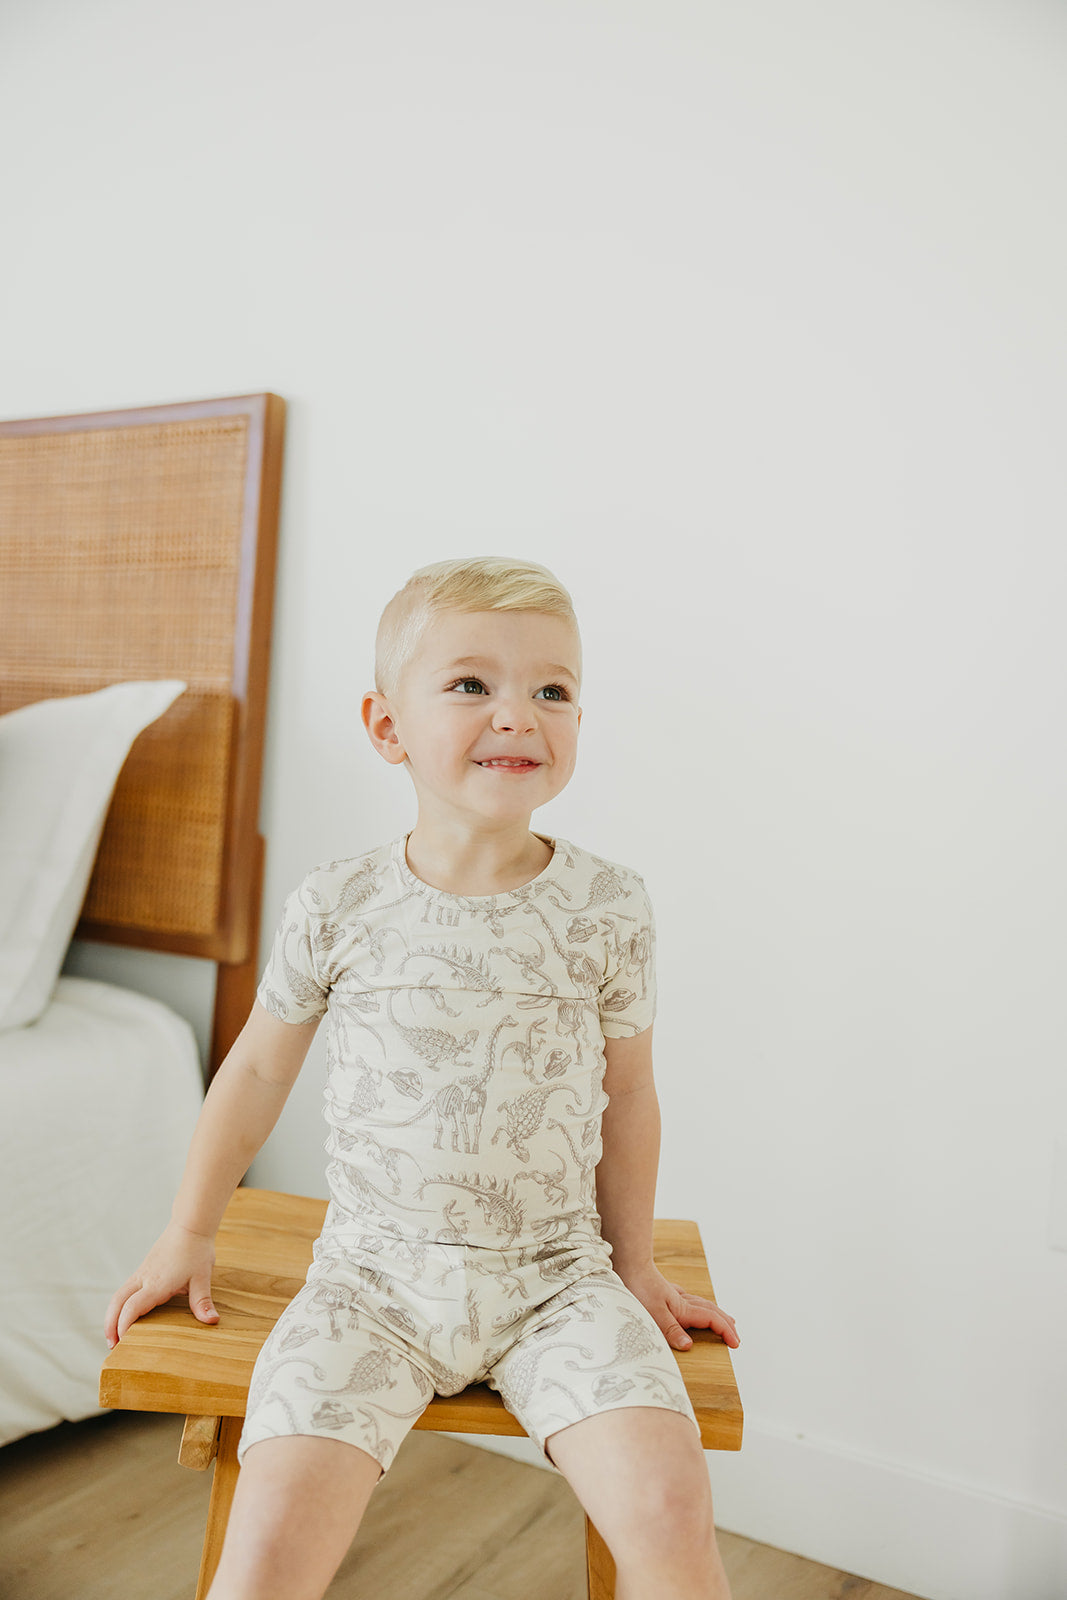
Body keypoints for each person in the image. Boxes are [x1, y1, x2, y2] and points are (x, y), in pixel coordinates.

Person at [106, 556, 740, 1600]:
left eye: (552, 689)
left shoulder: (608, 906)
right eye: (471, 684)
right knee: (266, 1550)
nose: (517, 714)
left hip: (556, 1280)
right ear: (386, 725)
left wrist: (631, 1264)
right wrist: (188, 1230)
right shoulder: (338, 901)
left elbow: (629, 1095)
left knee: (670, 1515)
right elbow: (256, 1068)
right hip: (369, 1283)